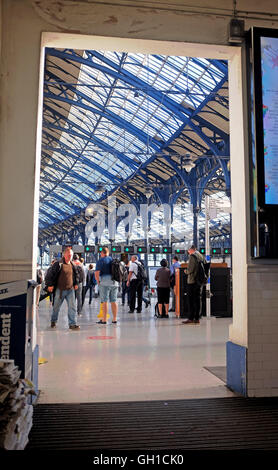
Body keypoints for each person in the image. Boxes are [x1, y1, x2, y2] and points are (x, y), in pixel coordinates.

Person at [45, 247, 80, 330]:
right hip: (59, 290)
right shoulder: (58, 264)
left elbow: (76, 275)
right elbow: (50, 275)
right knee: (56, 307)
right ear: (64, 255)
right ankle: (53, 321)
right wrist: (50, 285)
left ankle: (72, 324)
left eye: (71, 255)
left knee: (72, 307)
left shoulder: (73, 265)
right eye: (68, 255)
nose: (70, 256)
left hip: (70, 290)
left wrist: (76, 283)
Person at [94, 246, 118, 324]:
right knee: (113, 301)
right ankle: (114, 319)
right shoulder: (113, 260)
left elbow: (97, 273)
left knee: (104, 301)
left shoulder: (101, 260)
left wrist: (98, 281)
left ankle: (104, 320)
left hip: (104, 282)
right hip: (114, 283)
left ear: (102, 253)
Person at [182, 244, 205, 325]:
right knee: (198, 300)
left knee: (191, 300)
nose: (188, 252)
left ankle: (191, 318)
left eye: (188, 250)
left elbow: (190, 269)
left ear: (190, 249)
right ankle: (197, 318)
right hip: (200, 281)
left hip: (192, 281)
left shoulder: (192, 256)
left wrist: (186, 271)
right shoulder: (201, 256)